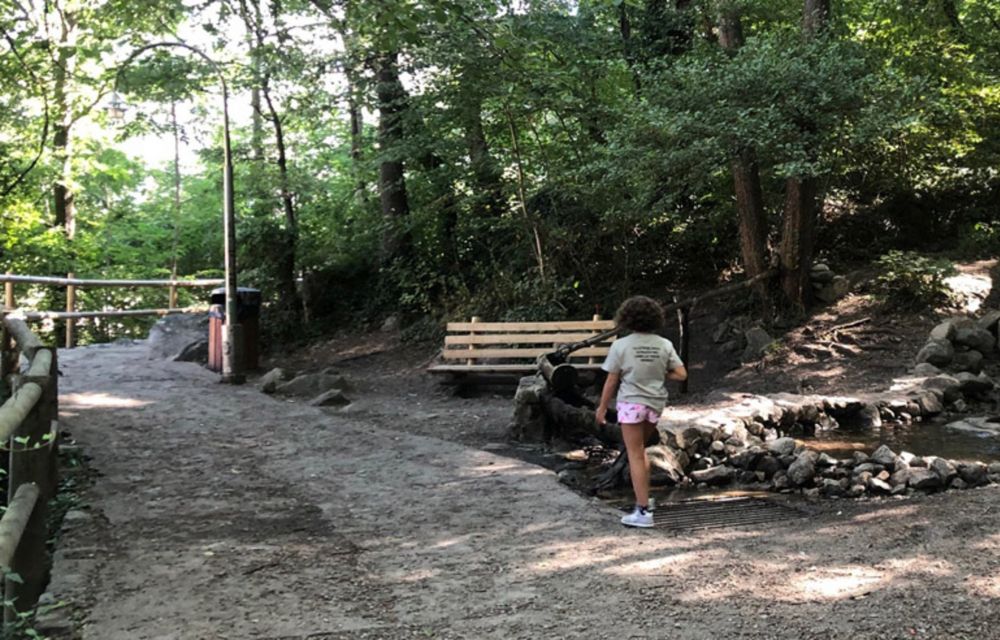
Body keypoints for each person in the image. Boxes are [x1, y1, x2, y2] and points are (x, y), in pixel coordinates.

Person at [596, 295, 687, 528]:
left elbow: (611, 380)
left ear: (626, 318)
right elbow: (681, 374)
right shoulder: (664, 344)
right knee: (641, 450)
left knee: (634, 453)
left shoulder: (621, 345)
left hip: (631, 404)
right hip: (655, 404)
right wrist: (660, 373)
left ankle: (643, 512)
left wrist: (602, 407)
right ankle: (645, 499)